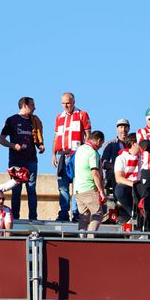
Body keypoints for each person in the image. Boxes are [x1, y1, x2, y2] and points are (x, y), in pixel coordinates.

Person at [0, 97, 41, 221]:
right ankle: (15, 217)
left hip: (31, 159)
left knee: (31, 189)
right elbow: (1, 140)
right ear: (24, 105)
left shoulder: (34, 120)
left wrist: (40, 146)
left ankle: (33, 217)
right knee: (16, 189)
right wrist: (13, 145)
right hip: (16, 161)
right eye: (32, 105)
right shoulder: (11, 120)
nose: (34, 108)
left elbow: (38, 137)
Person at [52, 92, 91, 221]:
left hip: (76, 154)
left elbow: (88, 134)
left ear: (73, 102)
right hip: (62, 154)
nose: (65, 106)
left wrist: (85, 152)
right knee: (62, 185)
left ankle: (76, 213)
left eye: (68, 103)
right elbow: (56, 136)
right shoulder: (59, 117)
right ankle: (63, 212)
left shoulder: (82, 114)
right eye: (63, 103)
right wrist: (53, 154)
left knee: (76, 185)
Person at [73, 130, 106, 235]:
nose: (100, 146)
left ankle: (81, 240)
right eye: (101, 143)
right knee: (97, 214)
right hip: (89, 188)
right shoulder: (93, 153)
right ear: (98, 141)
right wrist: (101, 191)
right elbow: (95, 173)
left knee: (84, 217)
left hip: (78, 190)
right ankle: (90, 239)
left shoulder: (80, 149)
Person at [113, 133, 141, 224]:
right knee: (120, 189)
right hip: (130, 185)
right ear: (134, 143)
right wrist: (134, 184)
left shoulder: (145, 157)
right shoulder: (121, 158)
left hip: (143, 185)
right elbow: (119, 178)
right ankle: (134, 215)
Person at [101, 118, 130, 193]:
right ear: (117, 129)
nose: (123, 129)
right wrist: (115, 167)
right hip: (115, 174)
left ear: (129, 129)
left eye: (125, 127)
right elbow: (103, 162)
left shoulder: (133, 144)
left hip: (130, 171)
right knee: (115, 172)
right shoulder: (111, 144)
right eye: (121, 127)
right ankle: (116, 196)